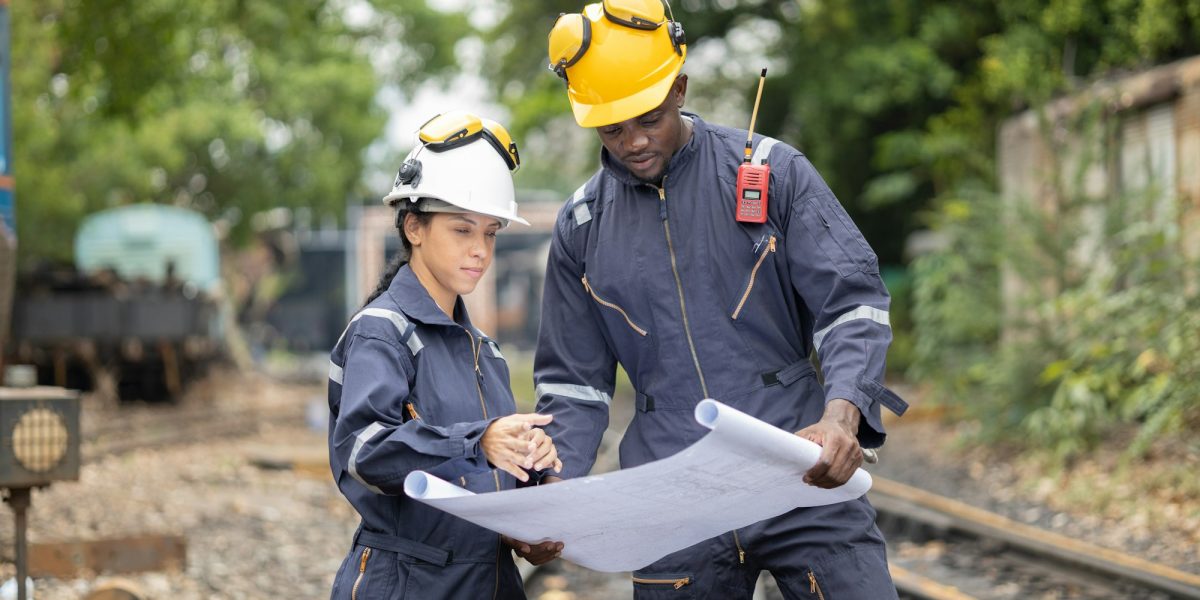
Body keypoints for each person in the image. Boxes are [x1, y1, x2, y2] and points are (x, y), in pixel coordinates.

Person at [535, 1, 909, 598]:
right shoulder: (581, 227)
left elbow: (851, 303)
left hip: (798, 468)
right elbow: (575, 384)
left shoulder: (771, 172)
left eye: (648, 118)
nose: (632, 142)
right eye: (611, 128)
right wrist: (551, 485)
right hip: (672, 493)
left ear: (678, 88)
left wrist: (843, 415)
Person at [328, 111, 563, 600]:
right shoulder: (381, 334)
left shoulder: (487, 352)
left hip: (489, 582)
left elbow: (490, 477)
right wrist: (479, 441)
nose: (480, 249)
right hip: (411, 582)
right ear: (414, 227)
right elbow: (365, 452)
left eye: (490, 233)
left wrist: (533, 489)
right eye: (462, 230)